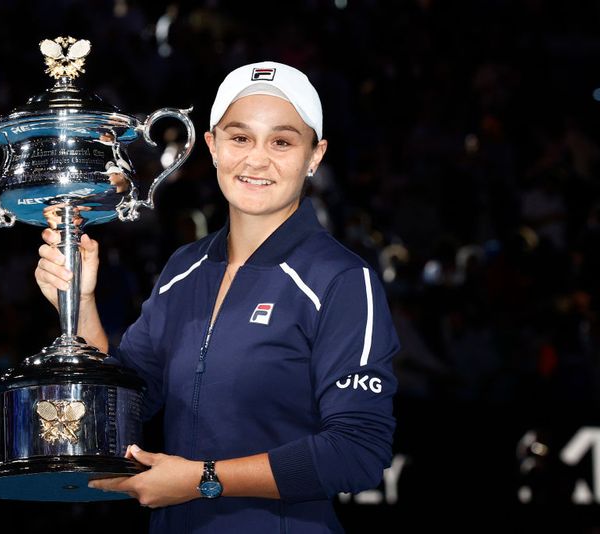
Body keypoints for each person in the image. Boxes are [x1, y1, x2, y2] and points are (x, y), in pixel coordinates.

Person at [35, 61, 400, 533]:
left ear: (315, 155)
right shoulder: (183, 269)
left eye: (283, 142)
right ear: (211, 146)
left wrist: (203, 480)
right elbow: (118, 413)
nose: (256, 159)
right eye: (240, 137)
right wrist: (81, 302)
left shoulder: (342, 280)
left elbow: (358, 452)